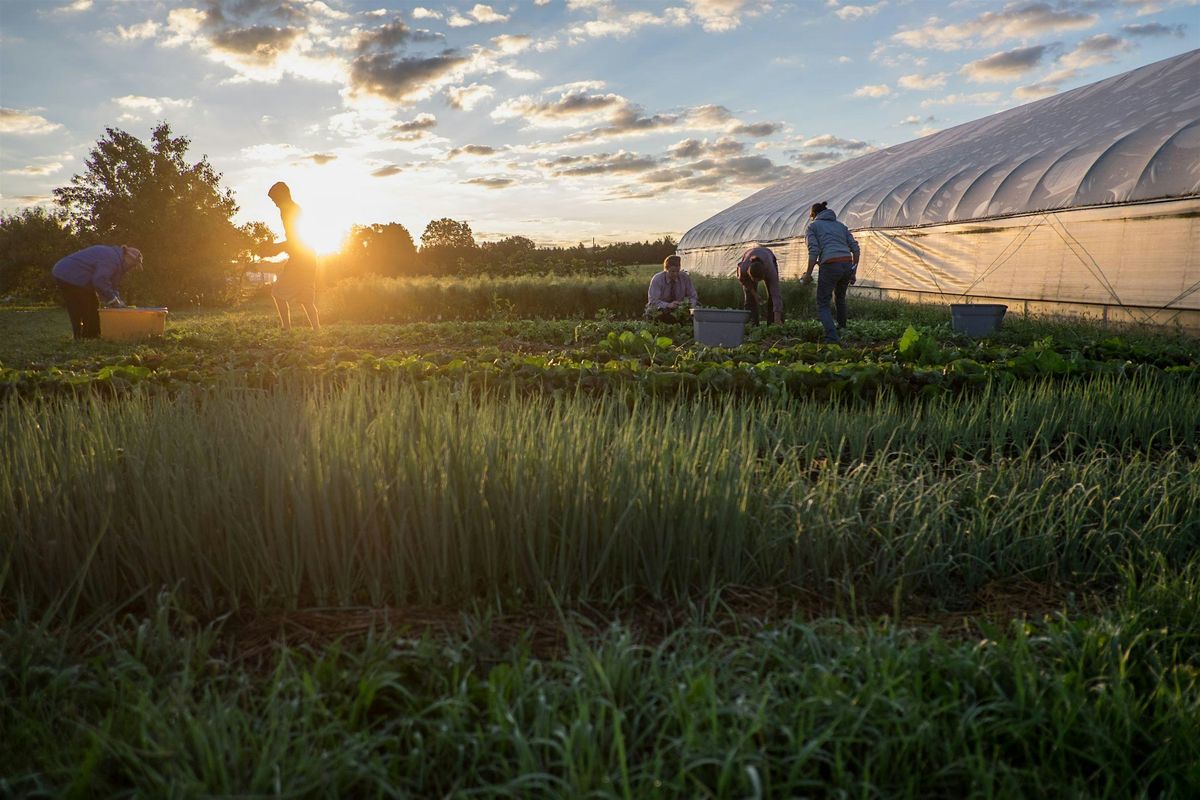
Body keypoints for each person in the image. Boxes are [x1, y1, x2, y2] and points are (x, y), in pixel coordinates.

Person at [260, 181, 320, 331]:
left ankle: (286, 329)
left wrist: (276, 248)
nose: (275, 204)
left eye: (275, 200)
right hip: (308, 258)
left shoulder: (289, 211)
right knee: (307, 300)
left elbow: (295, 240)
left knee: (278, 293)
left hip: (300, 259)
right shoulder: (293, 209)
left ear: (282, 196)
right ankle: (317, 331)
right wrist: (277, 247)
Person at [51, 244, 143, 339]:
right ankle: (90, 337)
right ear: (127, 257)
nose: (132, 268)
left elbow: (112, 285)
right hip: (71, 274)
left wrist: (118, 301)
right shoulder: (112, 260)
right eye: (134, 264)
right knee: (90, 304)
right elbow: (99, 280)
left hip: (61, 272)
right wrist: (113, 300)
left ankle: (79, 336)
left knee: (76, 306)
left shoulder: (116, 259)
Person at [803, 201, 859, 344]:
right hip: (846, 264)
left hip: (830, 265)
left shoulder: (813, 226)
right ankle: (842, 329)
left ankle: (832, 338)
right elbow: (855, 249)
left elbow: (814, 250)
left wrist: (808, 274)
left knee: (822, 303)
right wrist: (853, 271)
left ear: (814, 214)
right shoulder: (841, 226)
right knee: (840, 298)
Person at [645, 254, 699, 322]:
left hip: (680, 309)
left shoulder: (684, 277)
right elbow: (653, 301)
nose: (675, 274)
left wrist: (688, 305)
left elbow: (693, 296)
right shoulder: (657, 279)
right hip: (660, 309)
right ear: (666, 269)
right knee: (651, 312)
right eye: (672, 271)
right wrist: (668, 305)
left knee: (696, 313)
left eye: (677, 271)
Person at [737, 246, 783, 325]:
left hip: (768, 255)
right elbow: (743, 281)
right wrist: (754, 294)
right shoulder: (743, 268)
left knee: (772, 297)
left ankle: (773, 324)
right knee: (749, 297)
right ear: (749, 274)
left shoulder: (770, 271)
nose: (756, 282)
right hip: (749, 254)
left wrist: (777, 318)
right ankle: (752, 324)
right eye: (754, 280)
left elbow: (776, 295)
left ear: (764, 275)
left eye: (758, 280)